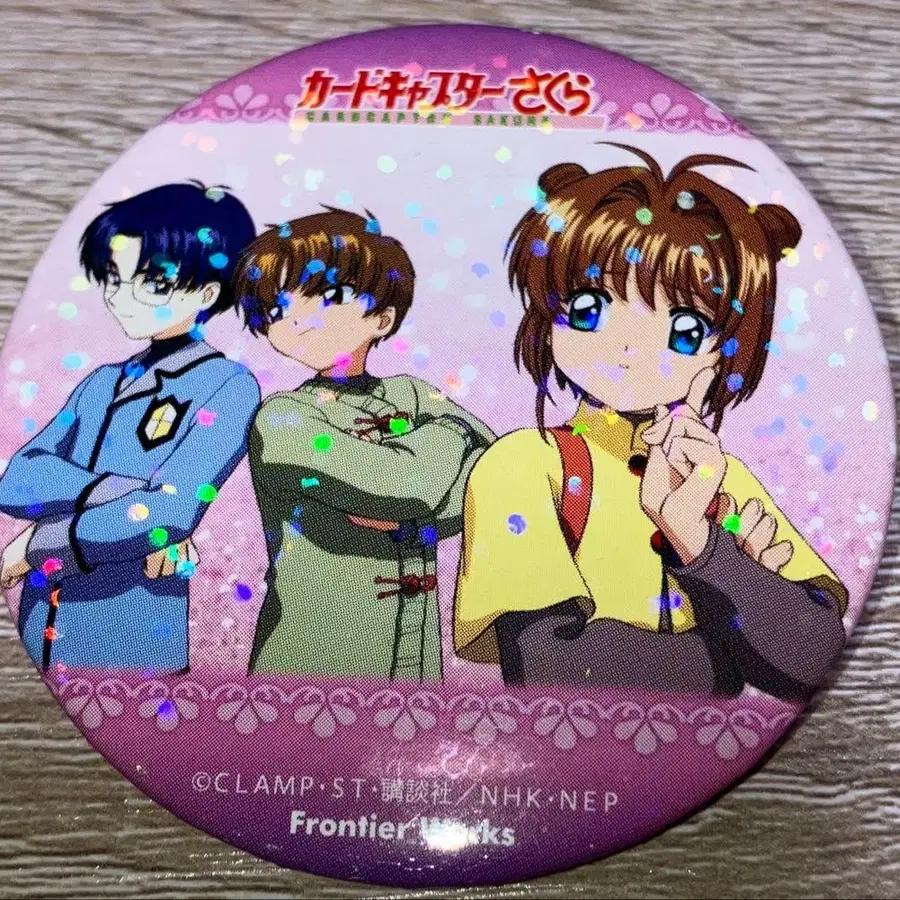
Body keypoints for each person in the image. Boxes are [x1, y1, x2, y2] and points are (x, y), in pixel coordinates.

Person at [454, 146, 848, 700]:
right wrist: (733, 652)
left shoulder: (722, 480)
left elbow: (816, 658)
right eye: (590, 306)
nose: (629, 346)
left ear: (722, 353)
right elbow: (553, 662)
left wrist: (699, 540)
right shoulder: (524, 466)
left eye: (685, 328)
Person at [0, 182, 260, 672]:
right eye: (114, 280)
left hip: (130, 632)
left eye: (153, 284)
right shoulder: (100, 382)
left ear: (206, 293)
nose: (123, 299)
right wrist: (123, 491)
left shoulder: (227, 386)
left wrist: (40, 544)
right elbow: (18, 480)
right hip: (38, 623)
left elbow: (169, 511)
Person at [236, 208, 494, 680]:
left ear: (381, 317)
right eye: (279, 308)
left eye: (329, 296)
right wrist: (447, 441)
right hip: (310, 655)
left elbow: (492, 473)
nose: (300, 320)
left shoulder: (411, 392)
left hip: (416, 659)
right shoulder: (282, 417)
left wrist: (410, 511)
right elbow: (404, 486)